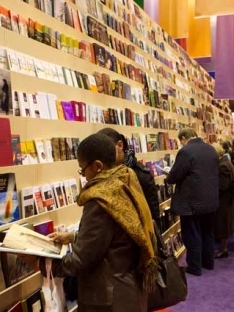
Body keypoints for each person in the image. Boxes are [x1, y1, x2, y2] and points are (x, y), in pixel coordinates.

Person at [46, 133, 157, 311]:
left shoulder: (100, 199)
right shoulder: (126, 177)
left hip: (109, 297)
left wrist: (42, 264)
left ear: (97, 166)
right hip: (130, 287)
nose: (83, 175)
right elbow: (117, 232)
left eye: (82, 169)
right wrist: (75, 236)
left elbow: (80, 261)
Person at [164, 129, 219, 276]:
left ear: (183, 138)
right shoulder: (211, 149)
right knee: (208, 232)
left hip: (192, 201)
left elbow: (175, 175)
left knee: (192, 233)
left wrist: (168, 177)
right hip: (211, 199)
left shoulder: (186, 151)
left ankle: (194, 267)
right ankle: (208, 262)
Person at [97, 128, 160, 224]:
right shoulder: (103, 173)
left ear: (120, 146)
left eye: (107, 149)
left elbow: (153, 217)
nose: (104, 155)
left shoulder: (141, 175)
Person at [212, 142, 234, 259]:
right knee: (224, 224)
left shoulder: (222, 165)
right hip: (226, 199)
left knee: (223, 224)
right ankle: (223, 248)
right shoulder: (225, 162)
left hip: (224, 200)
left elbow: (223, 186)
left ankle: (223, 249)